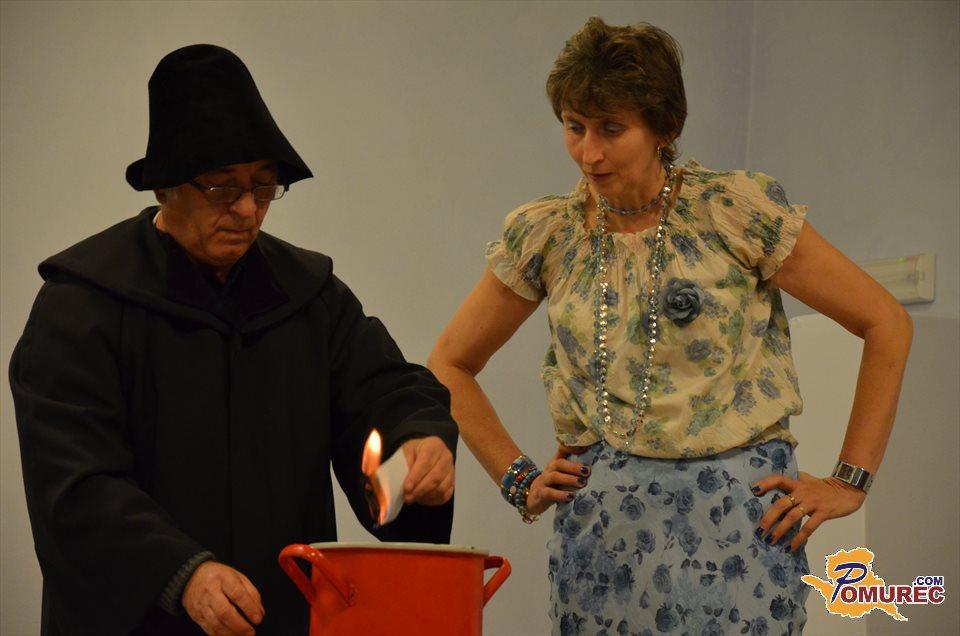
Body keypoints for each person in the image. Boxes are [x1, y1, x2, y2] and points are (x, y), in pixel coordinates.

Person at [428, 17, 912, 634]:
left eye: (611, 129)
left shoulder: (733, 211)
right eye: (574, 127)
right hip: (602, 535)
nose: (589, 153)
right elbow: (450, 363)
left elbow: (886, 322)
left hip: (738, 526)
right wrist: (516, 477)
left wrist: (850, 481)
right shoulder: (548, 233)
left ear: (667, 127)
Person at [10, 44, 457, 636]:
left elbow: (383, 394)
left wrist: (415, 447)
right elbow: (75, 485)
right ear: (164, 188)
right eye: (221, 188)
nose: (248, 209)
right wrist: (182, 573)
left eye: (264, 186)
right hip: (145, 620)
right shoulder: (82, 307)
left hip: (284, 613)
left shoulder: (309, 297)